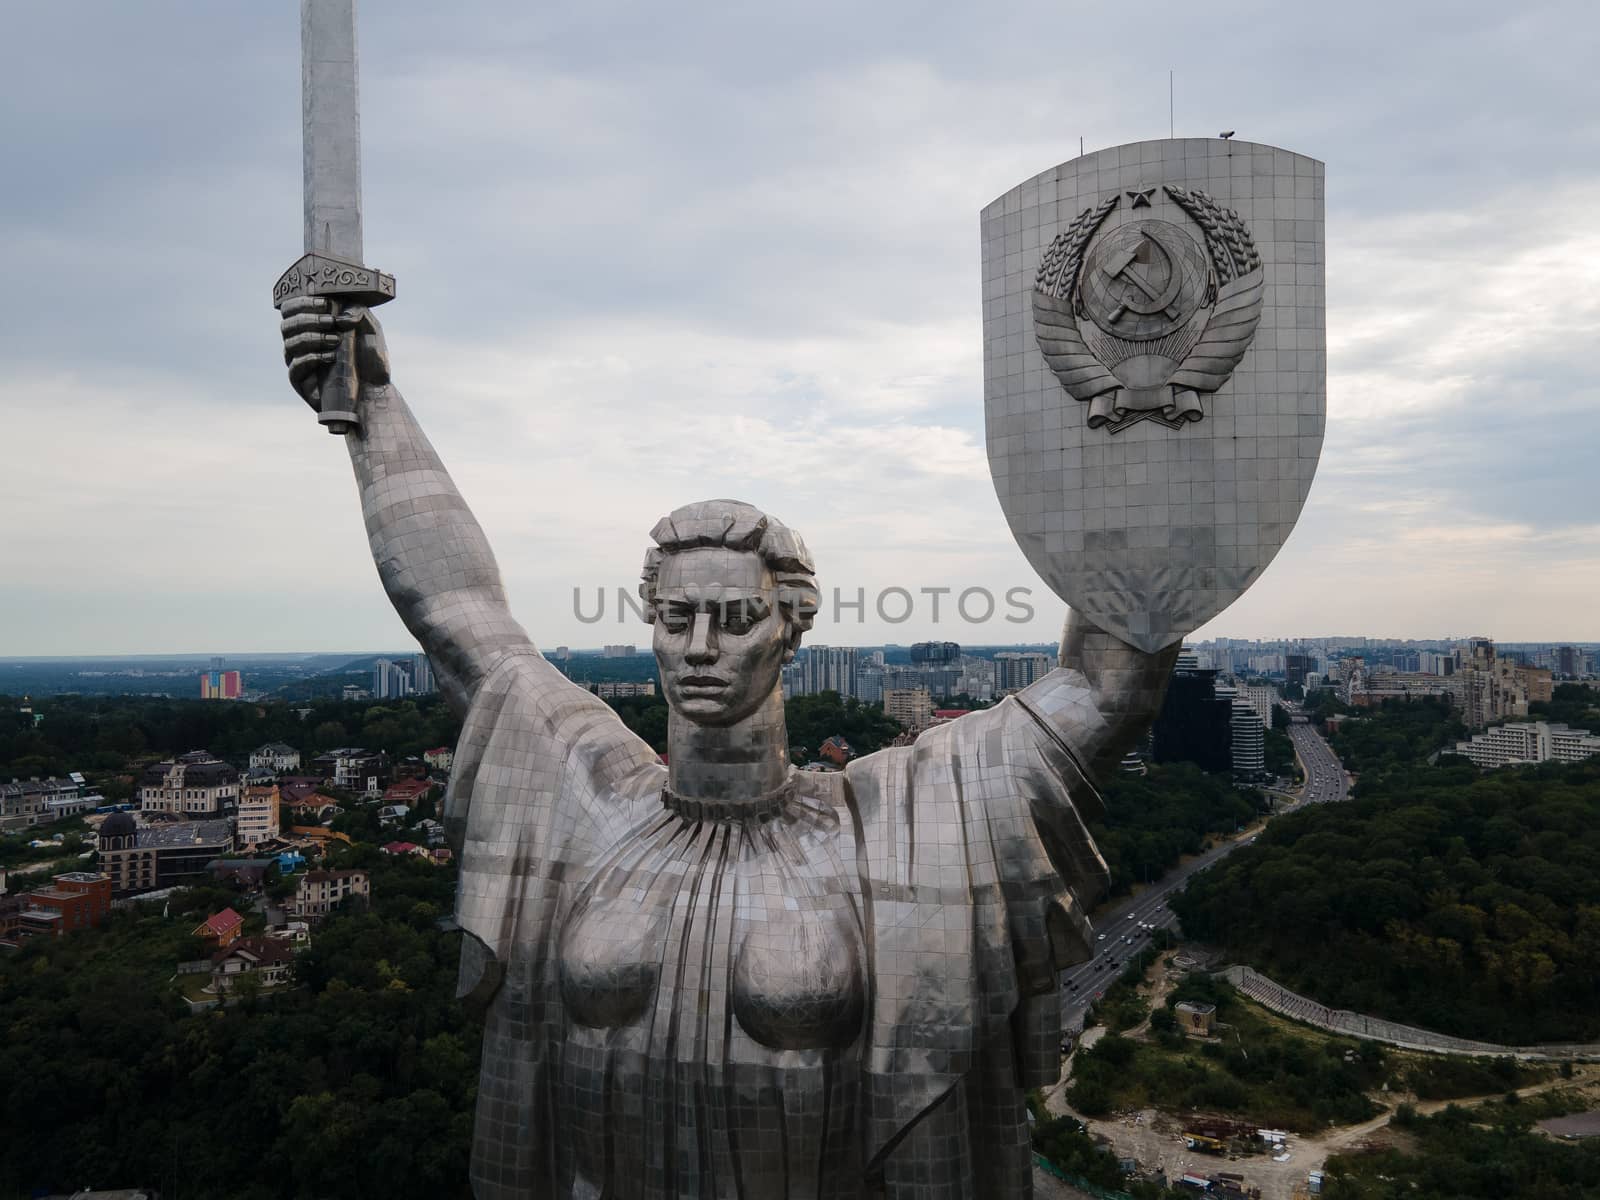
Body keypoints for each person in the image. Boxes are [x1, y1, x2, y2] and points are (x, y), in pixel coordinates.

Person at [279, 296, 1177, 1200]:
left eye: (736, 619)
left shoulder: (898, 822)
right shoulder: (589, 799)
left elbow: (1108, 686)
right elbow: (457, 612)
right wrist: (370, 402)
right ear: (651, 627)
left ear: (790, 631)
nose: (700, 649)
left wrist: (1140, 413)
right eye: (676, 619)